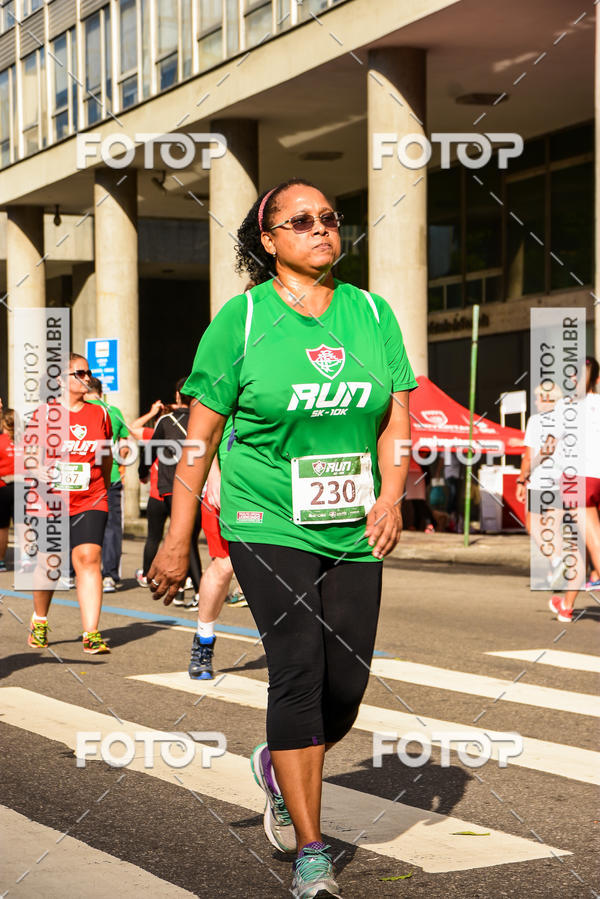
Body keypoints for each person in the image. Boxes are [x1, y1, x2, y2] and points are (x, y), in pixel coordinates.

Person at [148, 178, 415, 898]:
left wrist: (392, 496)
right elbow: (197, 443)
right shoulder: (238, 323)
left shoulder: (369, 312)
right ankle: (310, 849)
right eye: (301, 221)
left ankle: (280, 759)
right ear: (268, 241)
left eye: (329, 218)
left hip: (354, 520)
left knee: (346, 683)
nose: (321, 229)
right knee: (296, 667)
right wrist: (177, 539)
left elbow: (396, 417)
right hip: (267, 515)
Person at [26, 354, 113, 653]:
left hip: (91, 496)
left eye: (89, 373)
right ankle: (40, 621)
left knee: (89, 558)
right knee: (50, 564)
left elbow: (107, 455)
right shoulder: (42, 415)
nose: (87, 377)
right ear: (62, 380)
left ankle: (91, 633)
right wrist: (42, 472)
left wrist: (106, 483)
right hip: (50, 501)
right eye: (80, 373)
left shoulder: (100, 414)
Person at [548, 356, 600, 621]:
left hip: (577, 480)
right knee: (581, 545)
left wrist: (525, 476)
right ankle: (566, 606)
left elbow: (550, 445)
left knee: (593, 543)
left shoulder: (565, 406)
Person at [151, 380, 203, 602]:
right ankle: (185, 589)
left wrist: (143, 472)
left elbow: (150, 450)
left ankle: (195, 589)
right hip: (199, 488)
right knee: (190, 538)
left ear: (178, 395)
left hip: (171, 487)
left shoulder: (165, 421)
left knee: (180, 538)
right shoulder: (202, 420)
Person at [516, 382, 563, 585]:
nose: (535, 402)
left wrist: (522, 477)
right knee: (554, 528)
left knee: (532, 525)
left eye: (537, 398)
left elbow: (529, 456)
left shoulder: (535, 421)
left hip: (540, 479)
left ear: (545, 399)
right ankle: (558, 571)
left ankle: (557, 560)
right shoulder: (566, 419)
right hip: (562, 480)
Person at [85, 377, 129, 593]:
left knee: (78, 524)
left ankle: (74, 573)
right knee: (111, 527)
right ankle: (109, 576)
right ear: (101, 392)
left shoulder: (78, 411)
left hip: (82, 478)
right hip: (110, 477)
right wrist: (121, 467)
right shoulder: (114, 411)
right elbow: (125, 446)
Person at [0, 407, 15, 571]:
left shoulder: (1, 441)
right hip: (23, 486)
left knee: (3, 527)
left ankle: (1, 561)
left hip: (3, 487)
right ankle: (25, 560)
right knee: (23, 525)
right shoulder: (24, 441)